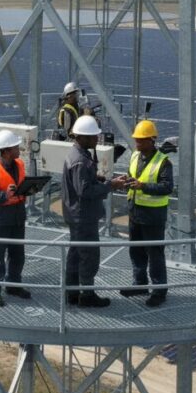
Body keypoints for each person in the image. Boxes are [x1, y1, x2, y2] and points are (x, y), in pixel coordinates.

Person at [62, 115, 127, 307]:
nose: (96, 139)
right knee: (89, 256)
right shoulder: (81, 161)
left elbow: (83, 182)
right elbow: (84, 190)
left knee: (75, 254)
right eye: (92, 136)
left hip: (75, 214)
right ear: (82, 137)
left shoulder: (77, 155)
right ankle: (87, 295)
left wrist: (101, 179)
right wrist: (111, 185)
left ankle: (72, 293)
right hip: (83, 216)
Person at [119, 120, 174, 307]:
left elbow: (167, 187)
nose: (138, 144)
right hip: (135, 213)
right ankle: (140, 284)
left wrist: (143, 186)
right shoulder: (135, 156)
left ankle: (159, 290)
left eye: (141, 140)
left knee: (155, 254)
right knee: (136, 251)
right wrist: (127, 181)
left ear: (152, 140)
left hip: (153, 216)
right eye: (136, 140)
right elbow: (132, 174)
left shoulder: (164, 162)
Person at [0, 129, 32, 307]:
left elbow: (21, 184)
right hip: (1, 220)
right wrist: (5, 195)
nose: (18, 149)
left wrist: (30, 189)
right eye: (15, 146)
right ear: (6, 150)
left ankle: (13, 285)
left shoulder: (19, 164)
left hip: (18, 217)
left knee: (17, 254)